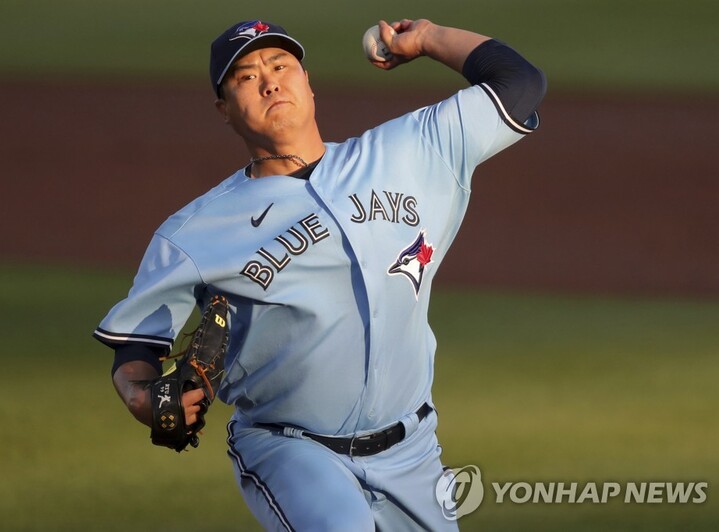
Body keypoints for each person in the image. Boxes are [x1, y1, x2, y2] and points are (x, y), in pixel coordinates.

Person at [94, 17, 545, 531]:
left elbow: (521, 85)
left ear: (307, 82)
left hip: (414, 450)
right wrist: (144, 398)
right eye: (245, 77)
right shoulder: (193, 233)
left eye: (281, 65)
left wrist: (423, 39)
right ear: (224, 110)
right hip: (292, 451)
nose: (269, 81)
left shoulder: (409, 151)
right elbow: (135, 348)